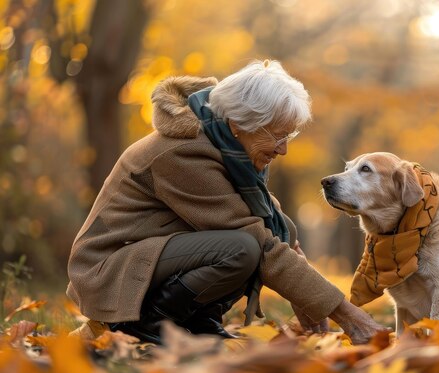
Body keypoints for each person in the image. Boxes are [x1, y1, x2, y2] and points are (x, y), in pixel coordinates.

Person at [67, 59, 384, 345]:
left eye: (289, 136)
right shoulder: (184, 152)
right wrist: (347, 315)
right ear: (240, 124)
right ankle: (144, 325)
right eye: (278, 135)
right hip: (112, 269)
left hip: (147, 255)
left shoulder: (226, 146)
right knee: (244, 248)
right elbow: (259, 241)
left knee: (256, 239)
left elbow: (274, 223)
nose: (283, 149)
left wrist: (307, 298)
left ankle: (196, 322)